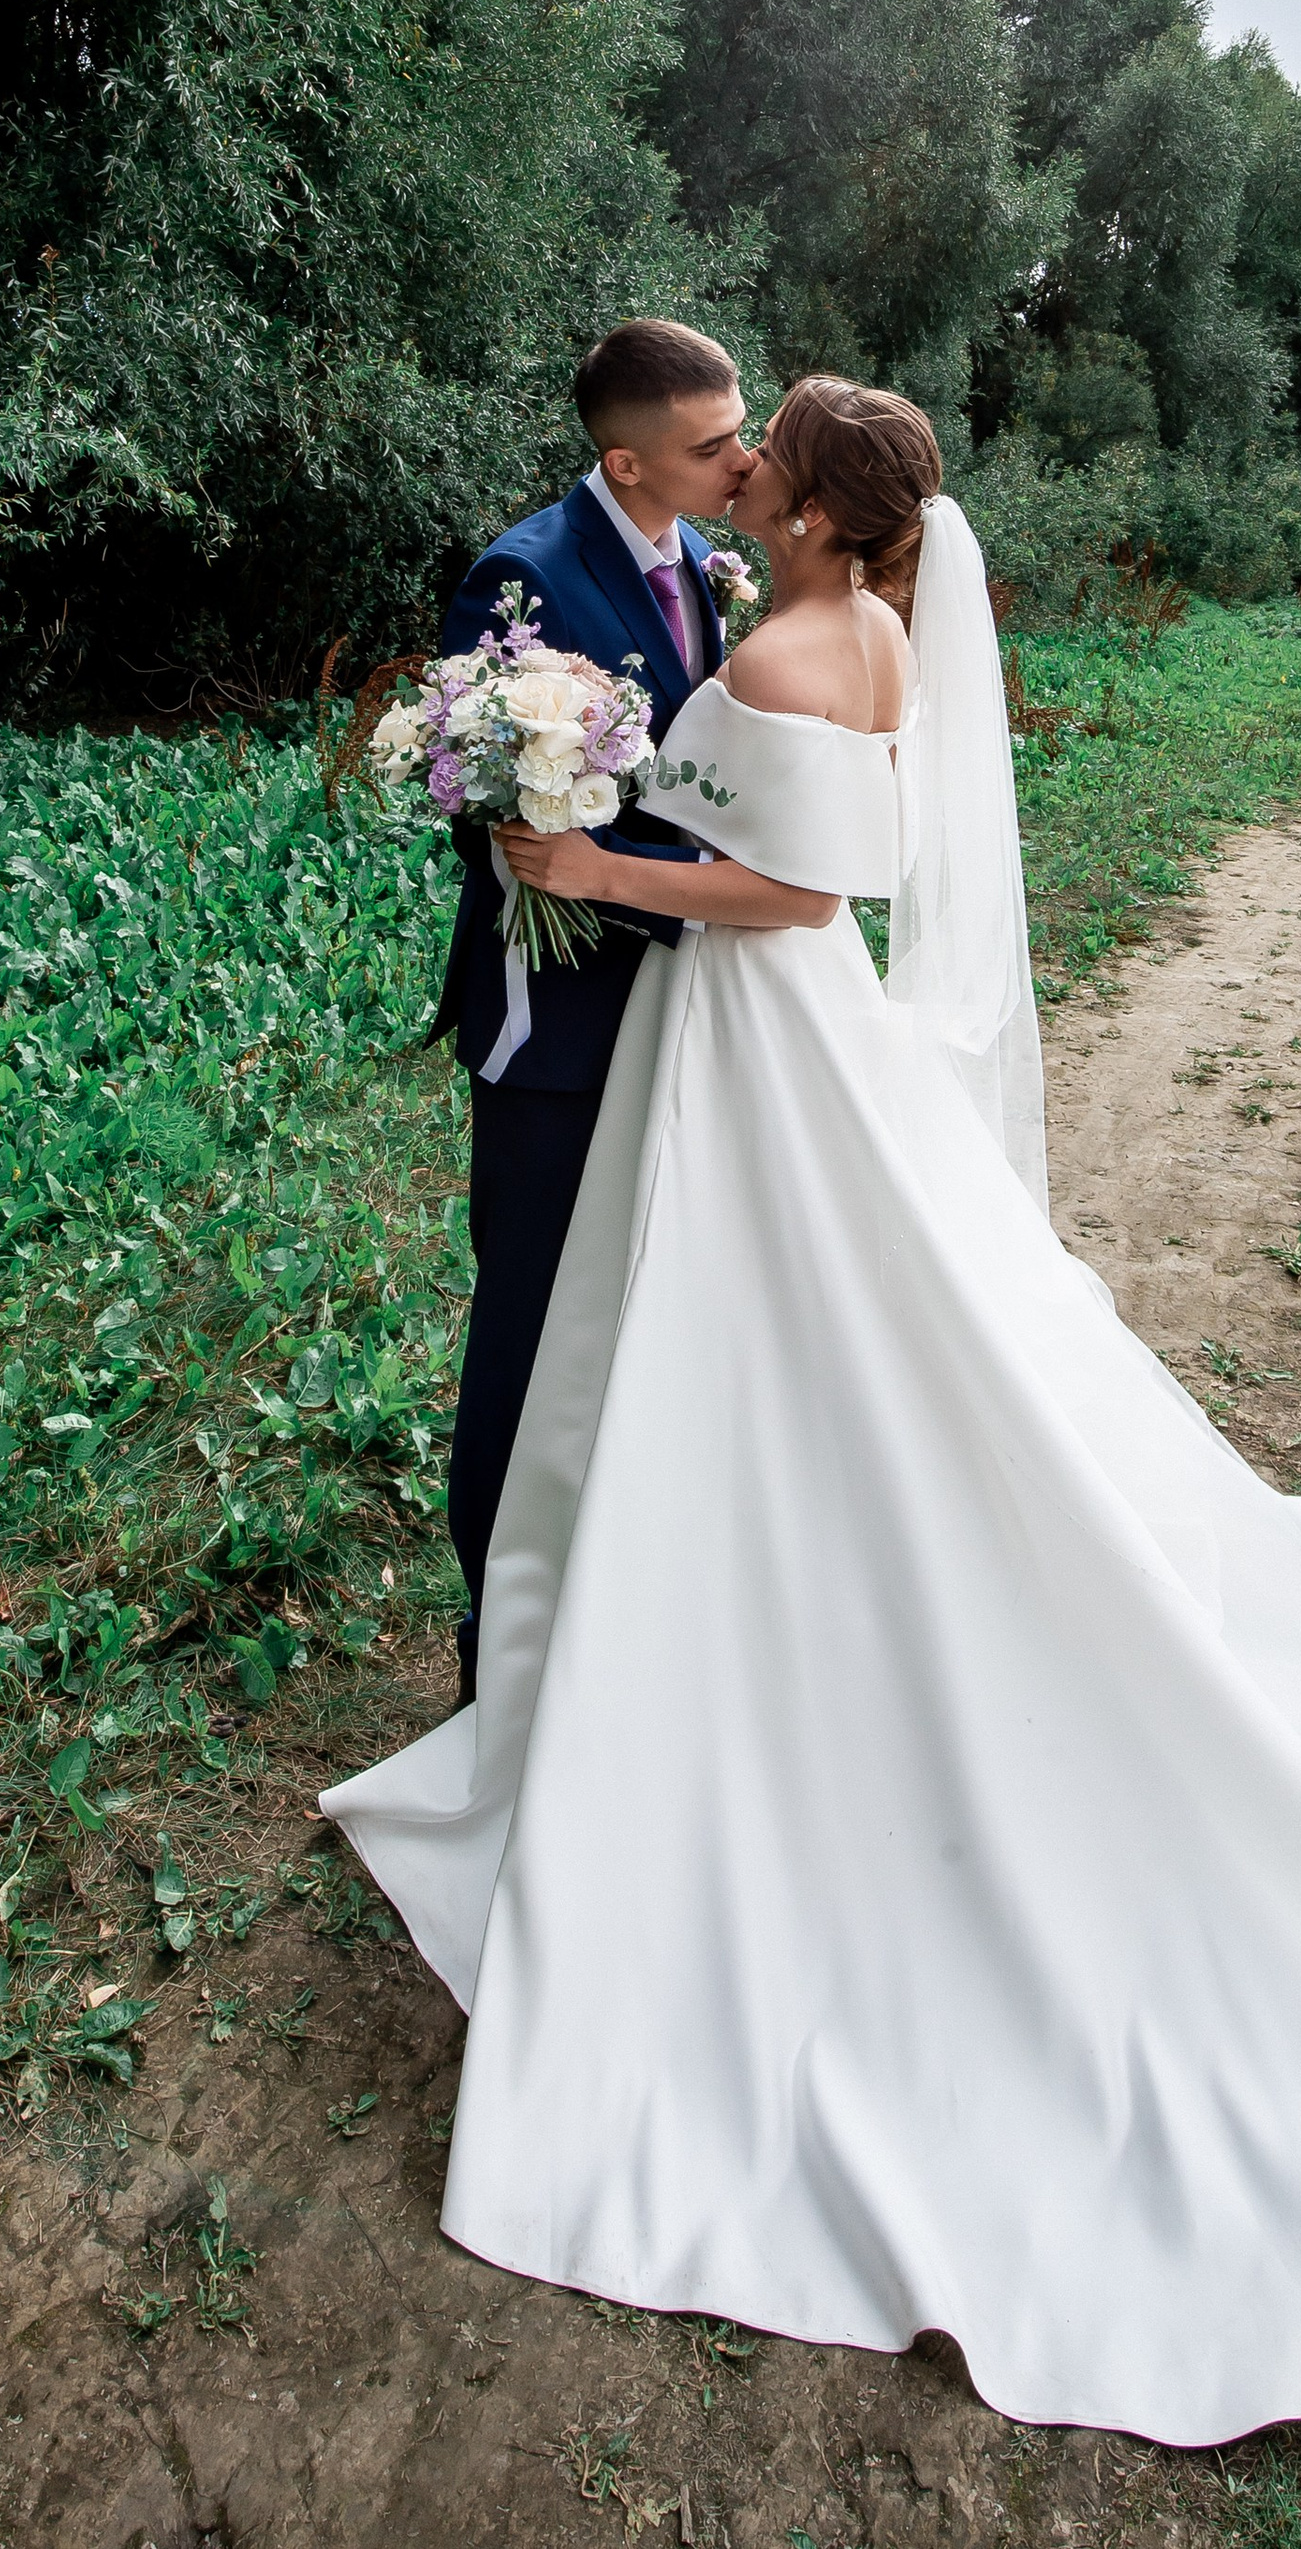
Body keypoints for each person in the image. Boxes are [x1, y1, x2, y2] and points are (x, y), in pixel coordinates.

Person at [328, 377, 1301, 2449]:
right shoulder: (873, 630)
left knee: (787, 1359)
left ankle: (722, 1671)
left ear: (820, 501)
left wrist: (588, 855)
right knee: (791, 1362)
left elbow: (795, 897)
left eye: (767, 452)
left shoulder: (778, 641)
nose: (736, 465)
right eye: (721, 440)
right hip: (765, 1055)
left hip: (759, 1027)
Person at [428, 320, 757, 1705]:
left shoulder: (704, 561)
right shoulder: (527, 576)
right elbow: (488, 816)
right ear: (626, 459)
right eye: (712, 444)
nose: (744, 460)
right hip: (556, 1023)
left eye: (741, 428)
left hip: (689, 1011)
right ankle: (497, 1656)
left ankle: (620, 1617)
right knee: (530, 1335)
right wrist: (711, 891)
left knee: (652, 1317)